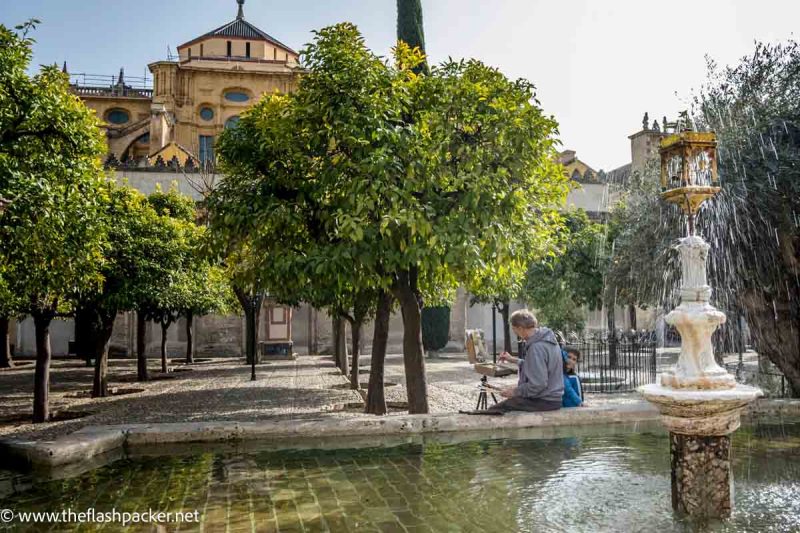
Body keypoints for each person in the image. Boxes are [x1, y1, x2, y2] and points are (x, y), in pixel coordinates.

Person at [484, 309, 563, 413]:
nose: (515, 333)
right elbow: (536, 367)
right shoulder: (548, 340)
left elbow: (538, 384)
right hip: (553, 399)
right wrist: (512, 359)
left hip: (544, 400)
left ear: (520, 328)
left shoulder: (536, 347)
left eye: (514, 330)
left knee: (494, 411)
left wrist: (515, 392)